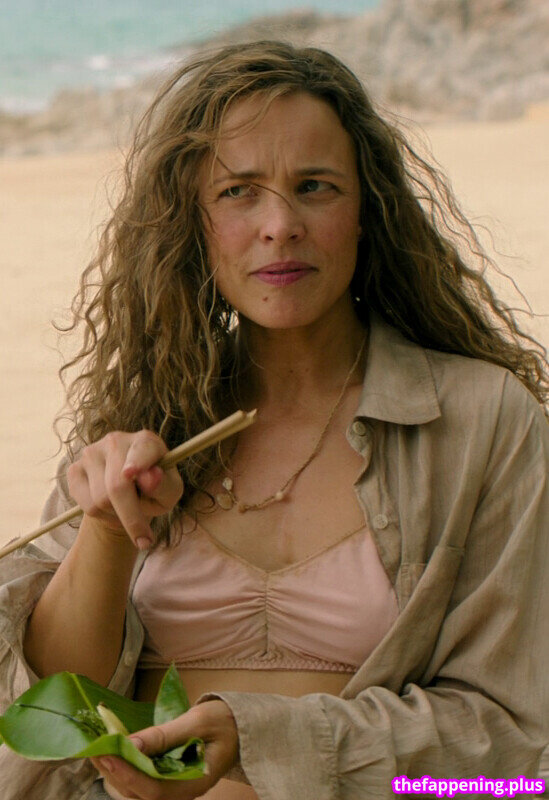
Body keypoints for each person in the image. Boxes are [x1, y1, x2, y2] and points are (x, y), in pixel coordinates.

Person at [0, 40, 548, 800]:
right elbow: (47, 712)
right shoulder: (142, 417)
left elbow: (515, 743)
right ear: (192, 224)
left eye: (315, 186)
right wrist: (104, 529)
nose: (280, 224)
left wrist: (263, 742)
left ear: (367, 210)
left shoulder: (483, 421)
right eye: (238, 192)